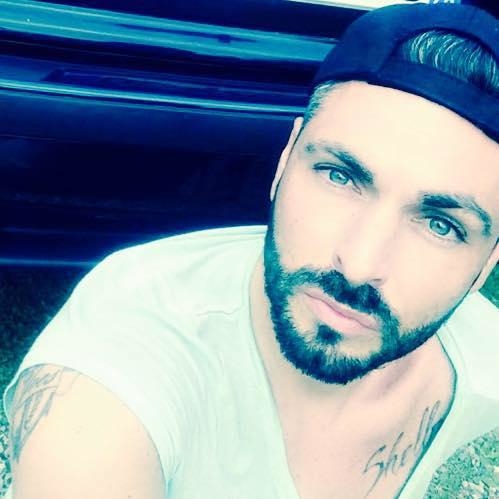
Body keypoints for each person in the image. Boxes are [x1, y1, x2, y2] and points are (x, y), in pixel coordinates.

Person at [2, 3, 498, 499]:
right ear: (284, 160)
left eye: (441, 225)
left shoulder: (476, 361)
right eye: (339, 176)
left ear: (486, 265)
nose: (359, 264)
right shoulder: (120, 372)